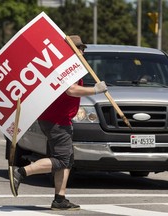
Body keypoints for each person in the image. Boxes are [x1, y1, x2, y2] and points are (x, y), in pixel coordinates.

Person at [12, 35, 108, 210]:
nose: (82, 51)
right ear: (70, 50)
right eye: (79, 48)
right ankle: (21, 172)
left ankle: (60, 199)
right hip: (56, 120)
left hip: (57, 119)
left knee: (67, 159)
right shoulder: (65, 68)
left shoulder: (72, 68)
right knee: (62, 160)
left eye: (83, 48)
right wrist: (95, 90)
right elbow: (71, 90)